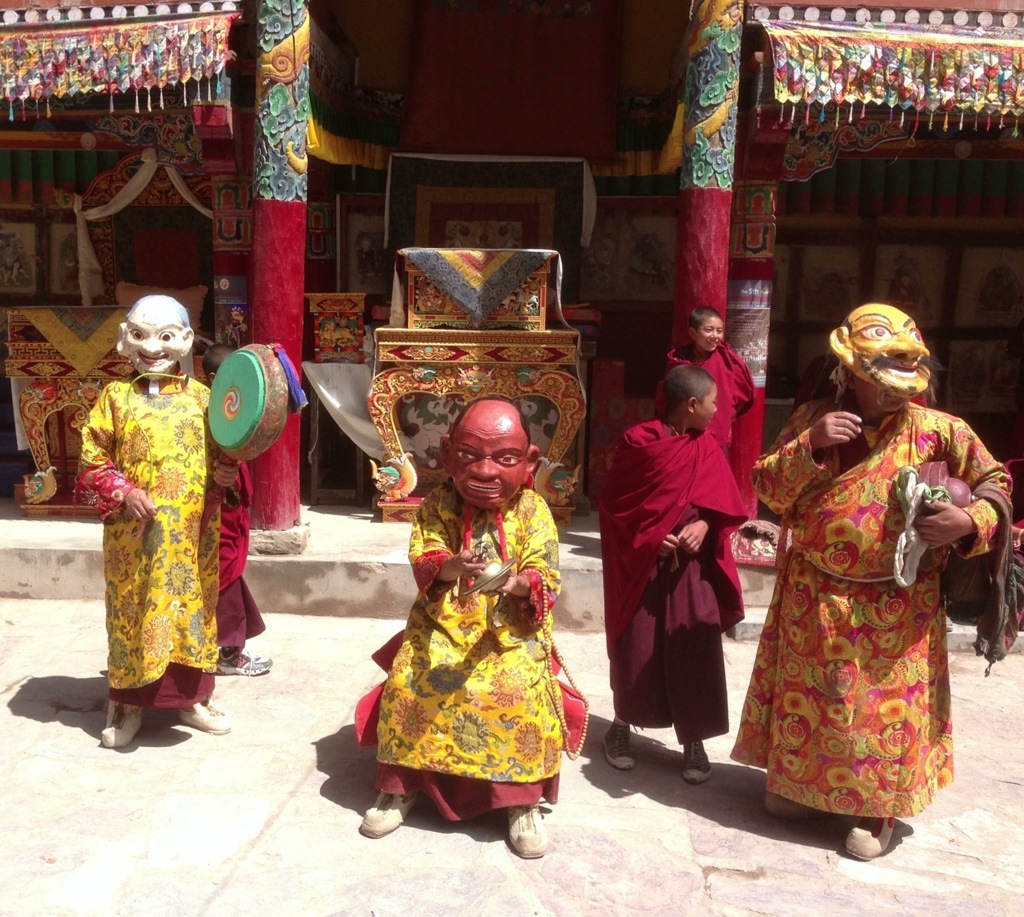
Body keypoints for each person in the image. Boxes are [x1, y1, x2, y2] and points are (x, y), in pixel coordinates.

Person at [731, 303, 1011, 860]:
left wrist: (967, 521)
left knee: (884, 709)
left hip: (898, 603)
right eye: (879, 383)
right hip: (815, 592)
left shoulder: (940, 431)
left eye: (900, 386)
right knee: (818, 699)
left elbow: (996, 484)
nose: (890, 396)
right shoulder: (812, 419)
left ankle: (877, 809)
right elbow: (769, 489)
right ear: (850, 373)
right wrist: (810, 444)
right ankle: (807, 788)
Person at [357, 398, 582, 858]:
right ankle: (401, 786)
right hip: (441, 626)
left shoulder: (533, 510)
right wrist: (452, 566)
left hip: (510, 633)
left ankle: (521, 801)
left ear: (530, 461)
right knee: (410, 681)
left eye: (504, 458)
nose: (484, 471)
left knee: (517, 692)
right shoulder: (437, 505)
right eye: (468, 455)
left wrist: (519, 584)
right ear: (446, 452)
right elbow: (425, 556)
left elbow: (546, 572)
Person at [76, 294, 240, 749]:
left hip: (191, 537)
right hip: (135, 540)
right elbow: (91, 462)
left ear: (185, 341)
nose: (153, 348)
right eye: (141, 335)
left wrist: (226, 473)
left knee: (193, 611)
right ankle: (126, 705)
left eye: (165, 336)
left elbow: (226, 457)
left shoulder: (205, 400)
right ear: (124, 339)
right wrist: (124, 491)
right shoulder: (114, 399)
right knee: (132, 611)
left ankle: (194, 700)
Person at [599, 365, 746, 783]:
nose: (717, 410)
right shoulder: (640, 442)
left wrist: (705, 526)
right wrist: (649, 537)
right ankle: (621, 726)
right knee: (638, 646)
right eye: (713, 402)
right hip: (644, 565)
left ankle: (694, 738)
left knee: (694, 644)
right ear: (692, 404)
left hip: (692, 567)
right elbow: (615, 506)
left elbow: (721, 504)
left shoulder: (707, 446)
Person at [201, 343, 273, 677]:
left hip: (232, 504)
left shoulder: (229, 409)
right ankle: (229, 654)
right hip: (216, 508)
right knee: (224, 572)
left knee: (229, 569)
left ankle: (229, 648)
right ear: (214, 378)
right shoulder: (205, 409)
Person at [655, 306, 754, 454]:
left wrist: (724, 414)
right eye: (708, 330)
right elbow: (666, 399)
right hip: (682, 434)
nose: (715, 336)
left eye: (719, 331)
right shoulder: (678, 360)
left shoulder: (728, 361)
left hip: (716, 434)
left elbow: (743, 396)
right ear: (692, 333)